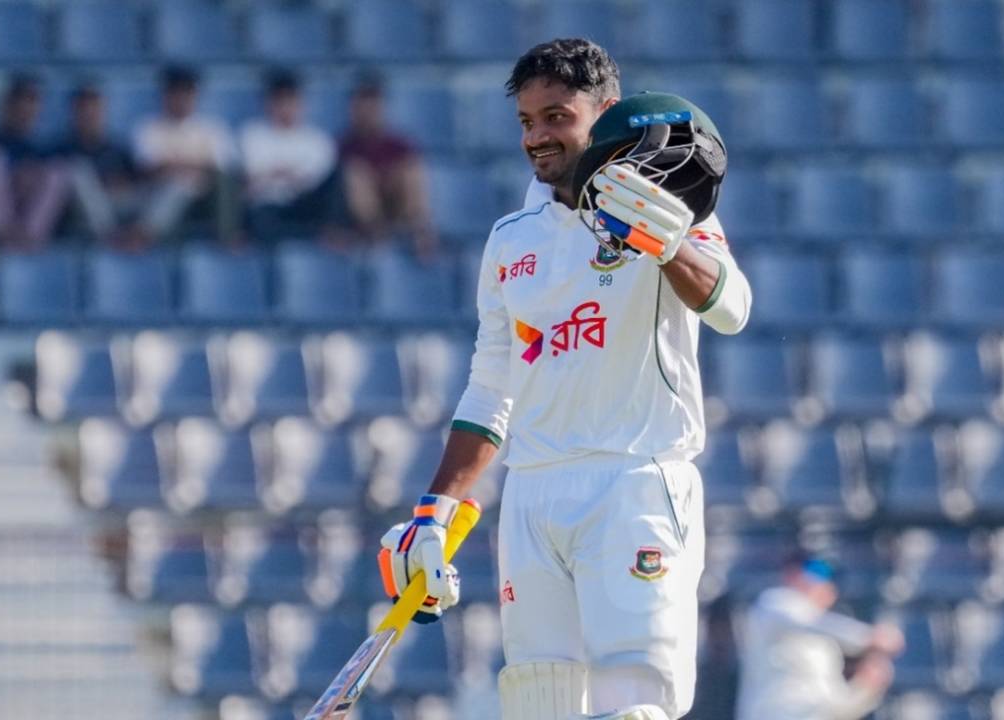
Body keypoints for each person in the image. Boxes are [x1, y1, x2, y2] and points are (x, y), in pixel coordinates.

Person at [378, 38, 751, 720]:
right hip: (532, 494)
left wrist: (667, 244)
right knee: (536, 704)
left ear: (606, 113)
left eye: (556, 117)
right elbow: (491, 387)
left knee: (633, 704)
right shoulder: (511, 238)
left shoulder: (669, 199)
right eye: (527, 121)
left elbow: (732, 308)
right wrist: (435, 512)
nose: (537, 137)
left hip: (634, 479)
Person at [736, 556, 905, 720]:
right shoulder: (773, 604)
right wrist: (868, 637)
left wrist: (866, 687)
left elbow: (836, 708)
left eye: (826, 577)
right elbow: (807, 621)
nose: (819, 583)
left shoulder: (826, 648)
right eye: (811, 572)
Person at [0, 73, 69, 249]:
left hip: (22, 221)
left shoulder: (39, 149)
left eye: (32, 104)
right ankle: (4, 233)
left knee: (57, 170)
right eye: (20, 102)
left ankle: (28, 236)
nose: (26, 110)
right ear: (7, 105)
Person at [132, 65, 236, 242]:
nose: (181, 100)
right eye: (175, 94)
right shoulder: (148, 128)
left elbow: (222, 169)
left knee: (217, 182)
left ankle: (228, 236)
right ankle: (144, 234)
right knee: (179, 186)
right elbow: (149, 168)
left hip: (205, 197)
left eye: (187, 93)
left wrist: (178, 166)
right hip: (159, 193)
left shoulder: (212, 128)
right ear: (165, 95)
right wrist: (192, 167)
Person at [339, 71, 436, 256]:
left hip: (397, 211)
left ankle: (421, 232)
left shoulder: (399, 146)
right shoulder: (343, 147)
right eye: (362, 104)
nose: (368, 112)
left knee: (411, 170)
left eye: (373, 104)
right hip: (359, 220)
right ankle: (378, 239)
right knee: (356, 174)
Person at [239, 67, 342, 243]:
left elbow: (316, 182)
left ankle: (332, 235)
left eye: (290, 100)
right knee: (260, 216)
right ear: (268, 102)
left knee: (340, 176)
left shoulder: (317, 140)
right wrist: (288, 175)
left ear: (300, 102)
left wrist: (278, 174)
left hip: (304, 203)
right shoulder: (252, 135)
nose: (285, 107)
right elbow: (251, 181)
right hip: (268, 204)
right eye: (279, 100)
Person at [55, 82, 148, 248]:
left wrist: (122, 184)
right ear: (74, 112)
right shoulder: (61, 148)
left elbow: (135, 181)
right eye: (84, 110)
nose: (89, 115)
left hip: (119, 204)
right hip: (81, 212)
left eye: (94, 110)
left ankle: (141, 233)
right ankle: (110, 235)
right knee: (77, 170)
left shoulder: (117, 147)